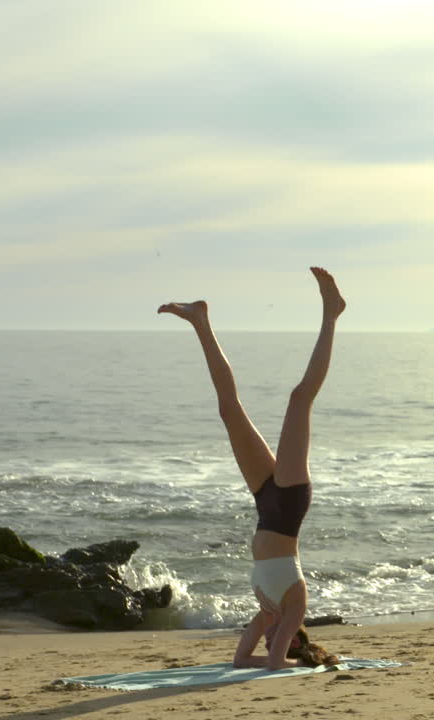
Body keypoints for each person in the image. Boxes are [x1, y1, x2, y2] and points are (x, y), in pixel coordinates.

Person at [158, 266, 345, 670]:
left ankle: (200, 321)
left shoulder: (266, 614)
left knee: (229, 410)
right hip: (290, 504)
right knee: (299, 399)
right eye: (281, 639)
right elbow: (277, 663)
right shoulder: (292, 611)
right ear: (295, 638)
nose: (273, 637)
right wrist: (297, 661)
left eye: (273, 636)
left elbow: (241, 659)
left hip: (265, 503)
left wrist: (265, 636)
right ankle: (332, 313)